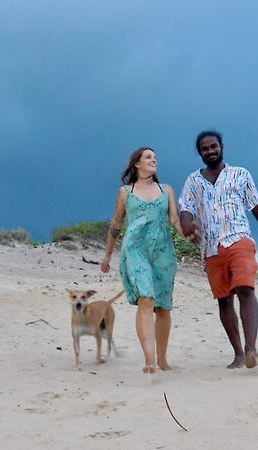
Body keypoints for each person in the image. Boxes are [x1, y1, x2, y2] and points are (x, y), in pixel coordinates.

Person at [179, 130, 258, 369]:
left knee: (245, 288)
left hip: (239, 239)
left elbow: (256, 206)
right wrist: (186, 224)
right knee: (224, 300)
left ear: (221, 146)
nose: (210, 151)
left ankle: (251, 348)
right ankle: (238, 353)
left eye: (213, 146)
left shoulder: (240, 174)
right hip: (211, 247)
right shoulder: (193, 181)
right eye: (205, 149)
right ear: (200, 153)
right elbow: (185, 207)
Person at [100, 147, 184, 373]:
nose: (153, 160)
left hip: (162, 251)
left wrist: (190, 234)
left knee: (163, 307)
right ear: (136, 163)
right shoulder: (125, 192)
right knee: (146, 299)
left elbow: (175, 220)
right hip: (135, 248)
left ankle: (162, 360)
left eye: (155, 157)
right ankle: (149, 360)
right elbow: (116, 224)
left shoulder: (166, 190)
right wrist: (108, 254)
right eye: (148, 157)